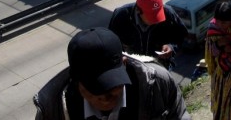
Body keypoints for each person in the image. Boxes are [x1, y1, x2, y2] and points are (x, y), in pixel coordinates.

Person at [33, 27, 190, 120]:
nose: (105, 98)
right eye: (94, 89)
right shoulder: (53, 109)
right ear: (76, 81)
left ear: (124, 64)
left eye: (111, 84)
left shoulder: (158, 83)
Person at [108, 0, 188, 70]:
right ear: (138, 10)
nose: (156, 21)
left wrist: (171, 46)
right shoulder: (121, 15)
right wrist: (119, 57)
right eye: (152, 16)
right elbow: (110, 43)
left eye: (158, 14)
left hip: (159, 66)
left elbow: (181, 35)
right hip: (130, 67)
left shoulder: (169, 13)